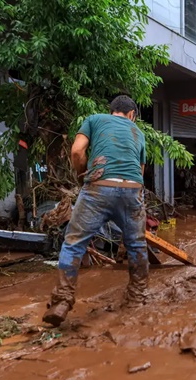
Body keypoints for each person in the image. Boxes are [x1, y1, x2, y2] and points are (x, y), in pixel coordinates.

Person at [43, 95, 149, 326]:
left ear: (112, 111)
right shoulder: (138, 133)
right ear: (132, 115)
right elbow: (140, 172)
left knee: (74, 243)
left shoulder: (94, 119)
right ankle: (137, 299)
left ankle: (62, 301)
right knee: (137, 244)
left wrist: (82, 173)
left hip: (98, 188)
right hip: (132, 190)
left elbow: (76, 152)